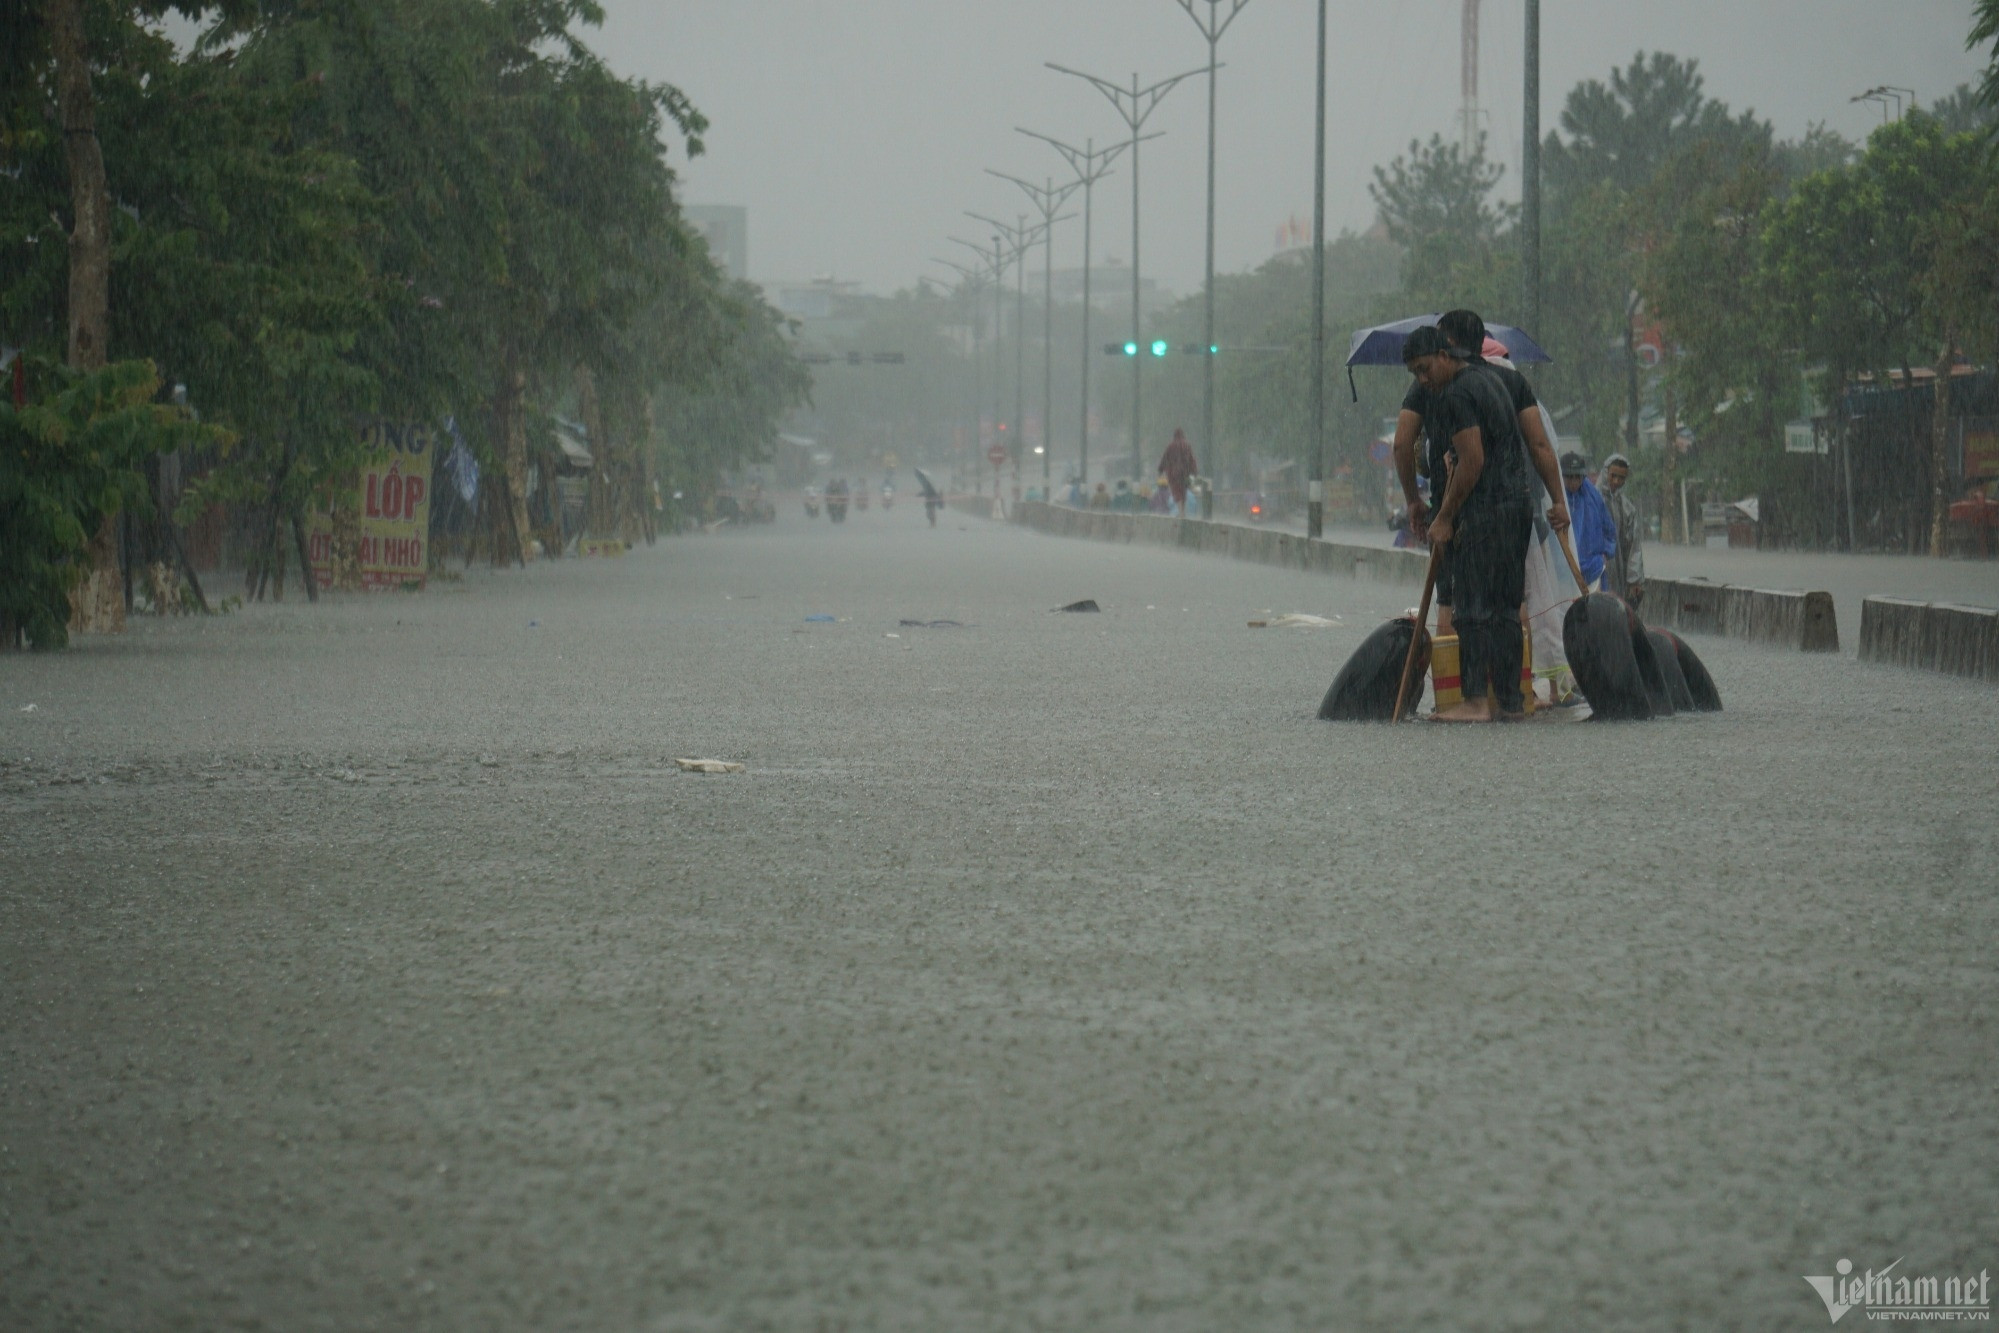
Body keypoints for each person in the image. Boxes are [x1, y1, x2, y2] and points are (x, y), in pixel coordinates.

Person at [1402, 325, 1535, 722]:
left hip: (1484, 512)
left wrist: (1443, 517)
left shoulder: (1457, 394)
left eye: (1425, 369)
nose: (1423, 380)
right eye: (1415, 375)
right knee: (1506, 609)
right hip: (1516, 506)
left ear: (1446, 355)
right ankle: (1511, 702)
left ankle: (1476, 701)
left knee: (1473, 609)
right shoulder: (1492, 380)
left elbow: (1473, 461)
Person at [1561, 452, 1617, 589]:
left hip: (1593, 571)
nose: (1574, 482)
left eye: (1577, 477)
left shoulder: (1593, 497)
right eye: (1569, 477)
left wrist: (1604, 555)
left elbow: (1609, 530)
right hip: (1562, 573)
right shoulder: (1556, 498)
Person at [1600, 452, 1646, 608]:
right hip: (1594, 568)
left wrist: (1634, 580)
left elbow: (1633, 546)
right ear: (1606, 472)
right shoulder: (1592, 499)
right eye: (1613, 476)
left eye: (1621, 478)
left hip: (1617, 571)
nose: (1616, 481)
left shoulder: (1626, 508)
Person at [1158, 428, 1198, 517]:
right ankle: (1182, 511)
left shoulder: (1170, 446)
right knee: (1183, 492)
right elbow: (1192, 459)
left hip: (1173, 475)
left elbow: (1165, 459)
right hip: (1185, 474)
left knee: (1177, 492)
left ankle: (1181, 512)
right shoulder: (1187, 446)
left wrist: (1160, 469)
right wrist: (1194, 471)